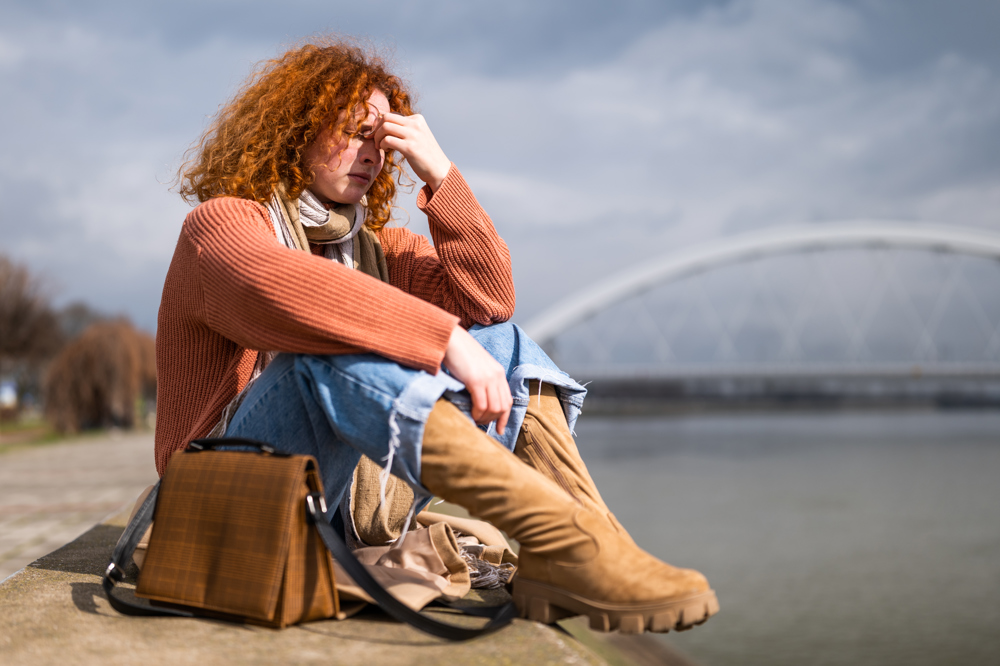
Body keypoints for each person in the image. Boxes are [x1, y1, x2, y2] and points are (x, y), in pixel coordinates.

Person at [157, 37, 718, 634]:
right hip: (223, 503)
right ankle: (569, 541)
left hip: (349, 507)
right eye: (352, 130)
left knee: (504, 343)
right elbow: (283, 291)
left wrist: (441, 174)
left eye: (384, 138)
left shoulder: (384, 253)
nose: (371, 151)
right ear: (295, 130)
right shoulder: (219, 226)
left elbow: (490, 300)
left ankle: (586, 551)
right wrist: (443, 340)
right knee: (327, 347)